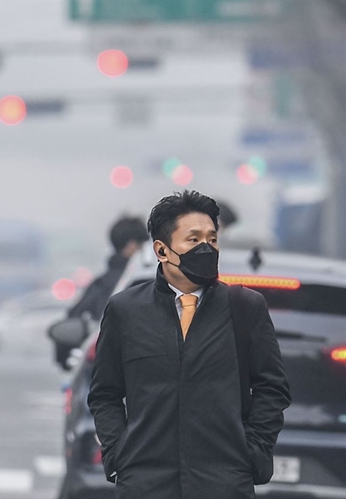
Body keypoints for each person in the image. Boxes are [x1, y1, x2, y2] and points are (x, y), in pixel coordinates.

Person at [87, 190, 291, 498]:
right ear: (162, 250)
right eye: (193, 240)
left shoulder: (245, 307)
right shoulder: (125, 310)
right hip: (145, 483)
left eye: (212, 239)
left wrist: (250, 452)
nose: (206, 248)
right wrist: (119, 454)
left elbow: (271, 389)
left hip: (223, 483)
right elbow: (105, 394)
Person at [53, 216, 148, 368]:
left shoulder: (100, 285)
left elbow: (74, 321)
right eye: (143, 246)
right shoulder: (149, 283)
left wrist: (66, 360)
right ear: (131, 246)